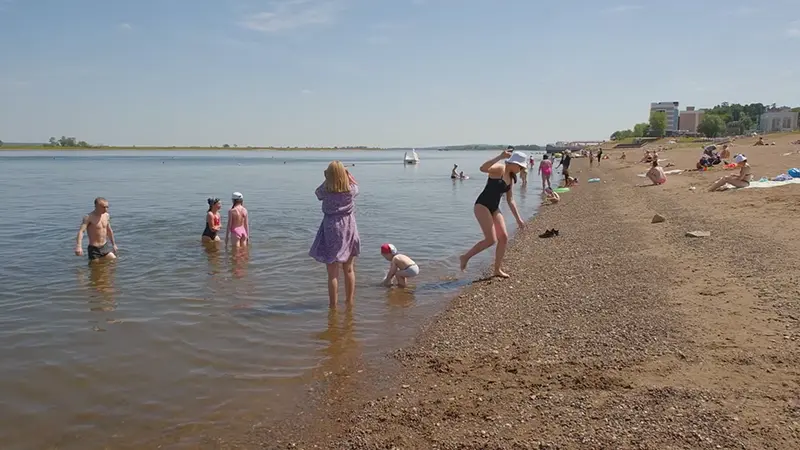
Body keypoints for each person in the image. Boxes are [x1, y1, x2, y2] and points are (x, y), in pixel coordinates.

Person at [459, 148, 527, 278]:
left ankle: (497, 269)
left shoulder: (511, 178)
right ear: (513, 163)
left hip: (494, 208)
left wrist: (519, 219)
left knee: (504, 238)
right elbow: (483, 168)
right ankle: (465, 257)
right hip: (482, 205)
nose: (521, 170)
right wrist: (500, 156)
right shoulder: (500, 169)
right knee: (491, 240)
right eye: (520, 167)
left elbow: (510, 200)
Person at [309, 161, 361, 308]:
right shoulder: (350, 191)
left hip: (331, 228)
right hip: (349, 227)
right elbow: (356, 185)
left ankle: (333, 306)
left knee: (332, 273)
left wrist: (327, 178)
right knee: (349, 269)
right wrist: (347, 175)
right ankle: (349, 302)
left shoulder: (325, 190)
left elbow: (317, 193)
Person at [75, 197, 118, 262]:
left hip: (104, 246)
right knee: (95, 269)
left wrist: (114, 244)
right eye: (103, 207)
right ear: (96, 206)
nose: (106, 209)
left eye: (107, 207)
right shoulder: (88, 217)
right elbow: (81, 231)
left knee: (114, 261)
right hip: (94, 249)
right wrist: (79, 246)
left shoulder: (106, 215)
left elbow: (109, 230)